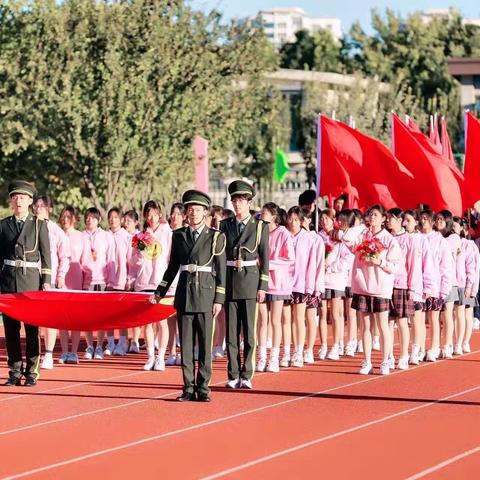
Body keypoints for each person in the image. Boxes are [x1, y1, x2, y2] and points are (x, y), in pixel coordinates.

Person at [152, 190, 226, 402]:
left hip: (205, 294)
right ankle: (187, 387)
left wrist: (219, 299)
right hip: (185, 294)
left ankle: (203, 388)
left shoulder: (215, 237)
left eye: (198, 210)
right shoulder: (179, 235)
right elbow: (173, 268)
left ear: (205, 213)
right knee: (185, 346)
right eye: (190, 210)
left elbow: (221, 271)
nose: (193, 213)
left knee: (204, 346)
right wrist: (160, 292)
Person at [0, 180, 51, 386]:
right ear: (11, 201)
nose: (18, 201)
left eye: (22, 197)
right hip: (9, 281)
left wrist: (46, 281)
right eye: (15, 197)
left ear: (30, 201)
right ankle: (14, 370)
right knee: (11, 330)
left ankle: (32, 370)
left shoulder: (39, 224)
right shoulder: (3, 225)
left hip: (30, 282)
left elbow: (46, 256)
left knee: (31, 330)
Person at [220, 180, 269, 389]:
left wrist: (262, 286)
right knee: (231, 333)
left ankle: (247, 373)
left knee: (249, 332)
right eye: (234, 200)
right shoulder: (225, 225)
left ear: (249, 202)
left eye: (241, 200)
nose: (237, 204)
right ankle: (232, 374)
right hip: (230, 281)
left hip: (249, 281)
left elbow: (265, 258)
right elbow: (220, 257)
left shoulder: (259, 227)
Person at [126, 200, 172, 371]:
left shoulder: (168, 233)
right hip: (143, 282)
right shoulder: (139, 236)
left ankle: (161, 357)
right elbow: (134, 261)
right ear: (144, 216)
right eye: (148, 214)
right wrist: (143, 247)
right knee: (147, 322)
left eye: (154, 214)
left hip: (160, 283)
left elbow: (169, 258)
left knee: (161, 321)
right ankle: (150, 356)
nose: (152, 217)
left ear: (159, 214)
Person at [33, 195, 71, 370]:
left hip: (50, 280)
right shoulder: (30, 227)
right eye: (36, 206)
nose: (38, 209)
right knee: (35, 320)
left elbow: (64, 256)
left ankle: (48, 354)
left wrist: (61, 275)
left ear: (49, 209)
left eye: (42, 206)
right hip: (32, 279)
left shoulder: (55, 230)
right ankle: (36, 353)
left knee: (49, 319)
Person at [59, 205, 89, 363]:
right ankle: (64, 352)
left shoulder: (81, 236)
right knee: (62, 318)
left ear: (74, 218)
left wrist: (86, 283)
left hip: (77, 281)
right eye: (63, 216)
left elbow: (86, 261)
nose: (65, 219)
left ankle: (74, 352)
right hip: (61, 281)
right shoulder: (57, 235)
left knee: (75, 318)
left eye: (68, 216)